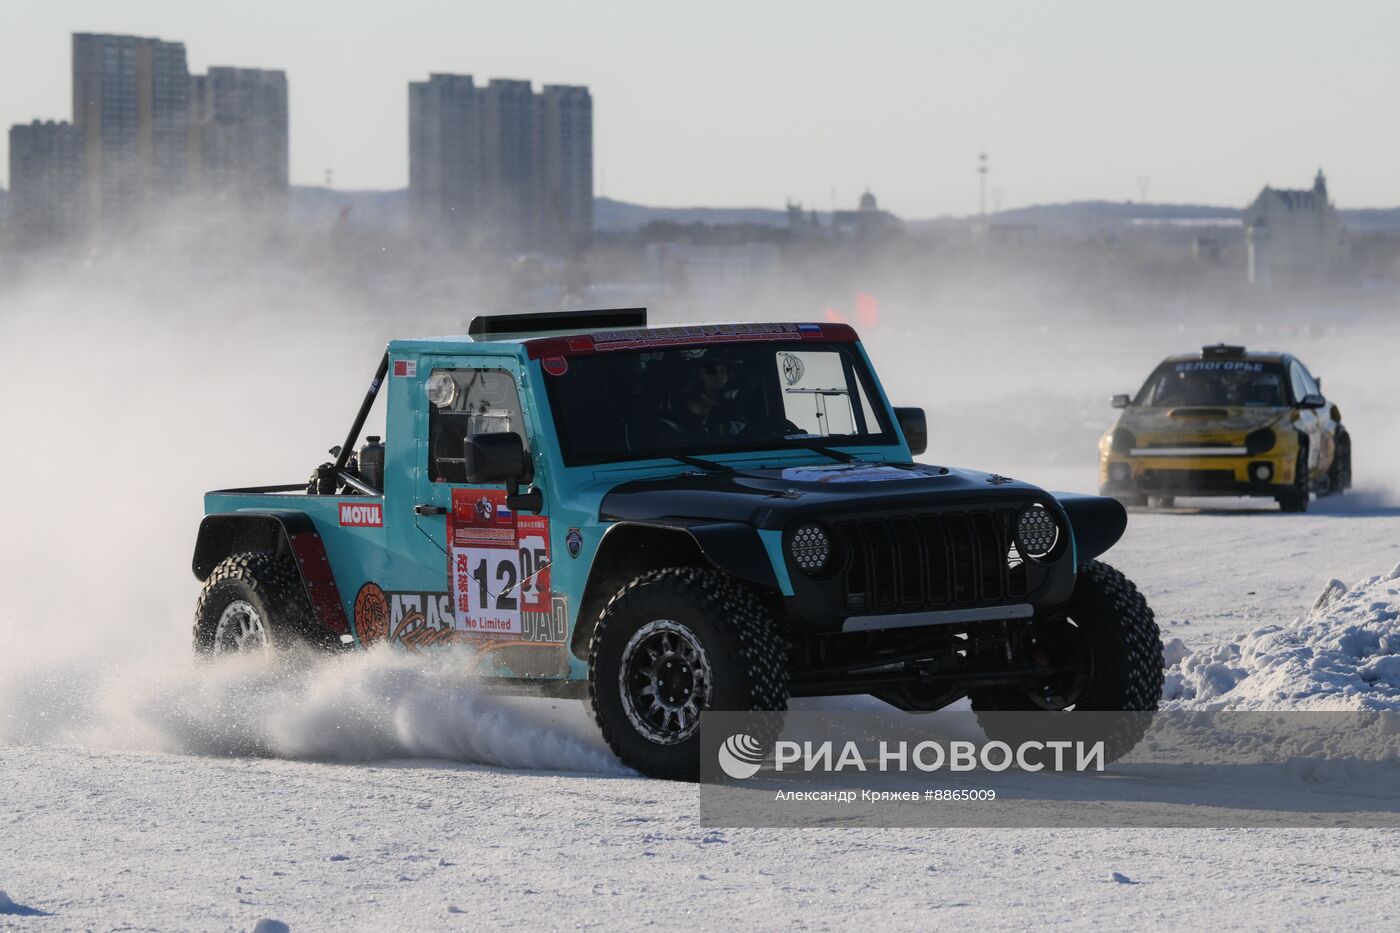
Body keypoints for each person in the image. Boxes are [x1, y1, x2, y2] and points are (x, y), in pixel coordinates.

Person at [651, 352, 746, 444]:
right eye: (710, 372)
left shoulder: (731, 424)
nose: (720, 377)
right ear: (689, 381)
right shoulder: (666, 428)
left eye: (723, 371)